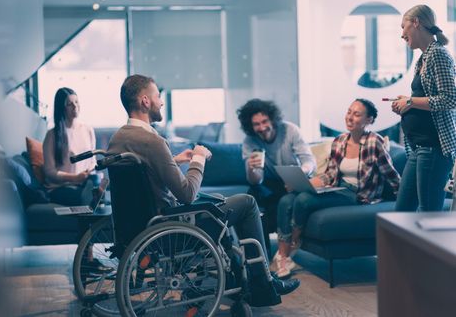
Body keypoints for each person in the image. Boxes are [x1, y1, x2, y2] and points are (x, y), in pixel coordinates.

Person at [107, 74, 300, 305]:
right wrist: (198, 159)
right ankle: (263, 284)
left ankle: (236, 278)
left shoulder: (119, 138)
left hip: (139, 225)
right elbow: (187, 194)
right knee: (246, 203)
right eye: (158, 96)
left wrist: (174, 160)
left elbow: (143, 172)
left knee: (218, 201)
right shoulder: (152, 141)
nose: (161, 102)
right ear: (145, 101)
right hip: (171, 225)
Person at [275, 99, 400, 278]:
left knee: (303, 200)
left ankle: (293, 244)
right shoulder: (340, 141)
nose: (350, 117)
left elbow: (391, 175)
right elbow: (330, 175)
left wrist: (404, 199)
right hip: (337, 189)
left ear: (369, 120)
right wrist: (309, 183)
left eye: (356, 114)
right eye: (349, 112)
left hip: (358, 195)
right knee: (286, 200)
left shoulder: (375, 142)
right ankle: (283, 256)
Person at [236, 98, 316, 274]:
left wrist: (299, 174)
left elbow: (309, 161)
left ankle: (279, 256)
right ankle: (257, 259)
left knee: (282, 201)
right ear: (250, 126)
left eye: (265, 121)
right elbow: (256, 180)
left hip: (292, 179)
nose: (262, 127)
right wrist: (252, 168)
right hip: (269, 184)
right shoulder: (250, 142)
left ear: (272, 119)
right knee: (251, 197)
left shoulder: (290, 130)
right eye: (256, 124)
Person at [391, 4, 456, 212]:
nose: (402, 34)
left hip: (434, 148)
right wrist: (408, 102)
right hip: (419, 148)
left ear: (416, 23)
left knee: (429, 214)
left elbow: (450, 99)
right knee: (402, 214)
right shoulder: (423, 58)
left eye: (404, 27)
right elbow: (427, 99)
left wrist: (410, 102)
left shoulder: (438, 54)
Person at [43, 87, 97, 205]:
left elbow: (92, 161)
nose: (75, 106)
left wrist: (89, 171)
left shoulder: (88, 130)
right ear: (62, 108)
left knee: (100, 189)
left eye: (76, 102)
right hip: (60, 187)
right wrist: (74, 177)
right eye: (69, 104)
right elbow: (49, 172)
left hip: (83, 183)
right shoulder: (52, 135)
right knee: (81, 197)